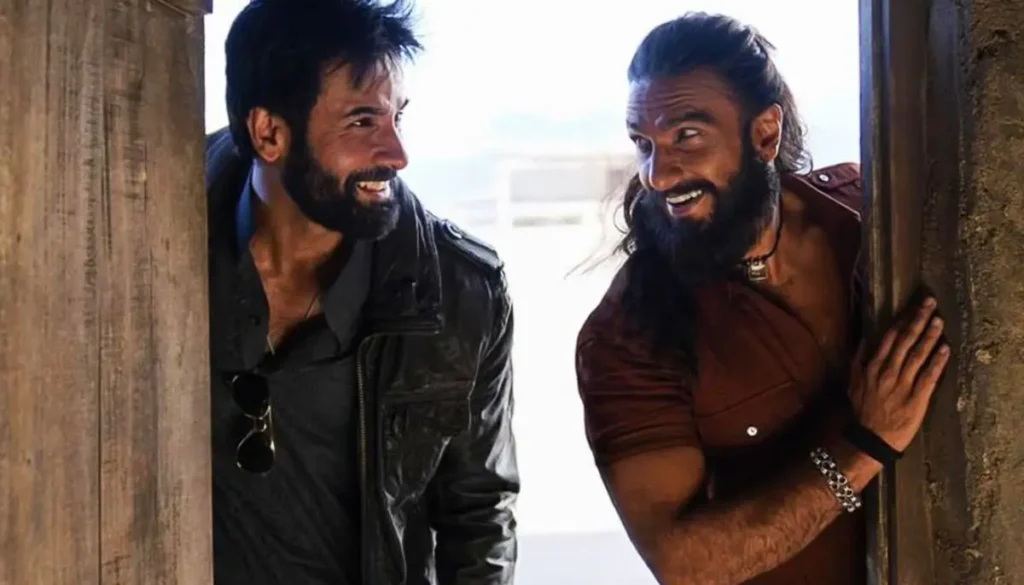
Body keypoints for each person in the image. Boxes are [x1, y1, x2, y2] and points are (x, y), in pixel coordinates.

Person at [574, 12, 950, 585]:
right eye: (643, 144)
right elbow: (683, 563)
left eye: (686, 136)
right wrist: (864, 446)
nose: (658, 174)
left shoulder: (868, 218)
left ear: (765, 134)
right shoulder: (628, 336)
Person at [204, 1, 518, 584]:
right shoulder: (151, 239)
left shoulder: (461, 293)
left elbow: (478, 514)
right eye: (362, 122)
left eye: (398, 117)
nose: (397, 154)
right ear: (269, 133)